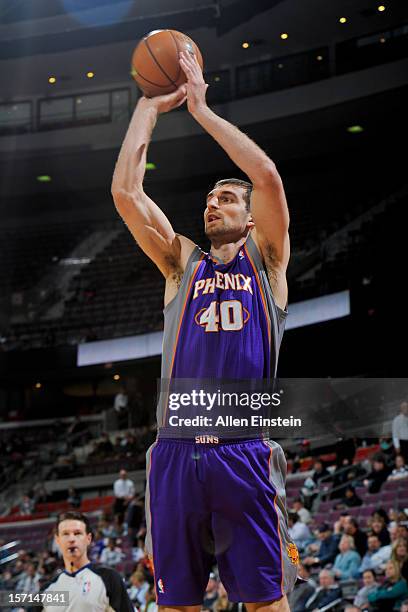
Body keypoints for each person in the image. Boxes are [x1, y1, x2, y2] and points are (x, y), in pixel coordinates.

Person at [112, 49, 296, 610]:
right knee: (177, 603)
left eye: (225, 199)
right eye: (209, 199)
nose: (212, 206)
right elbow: (126, 194)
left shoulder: (267, 262)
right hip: (175, 453)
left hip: (242, 451)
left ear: (250, 215)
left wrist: (200, 110)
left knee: (265, 600)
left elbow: (266, 175)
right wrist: (147, 108)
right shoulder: (181, 263)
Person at [42, 511, 133, 611]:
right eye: (65, 534)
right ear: (58, 540)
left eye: (77, 533)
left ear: (88, 539)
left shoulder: (109, 578)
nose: (71, 539)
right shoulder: (47, 589)